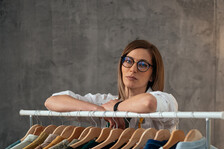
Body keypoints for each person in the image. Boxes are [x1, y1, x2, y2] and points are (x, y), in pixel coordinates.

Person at [45, 40, 178, 131]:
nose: (133, 69)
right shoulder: (104, 103)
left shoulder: (166, 100)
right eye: (128, 61)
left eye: (142, 65)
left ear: (153, 75)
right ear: (121, 65)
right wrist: (98, 110)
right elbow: (52, 101)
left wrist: (115, 107)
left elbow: (148, 103)